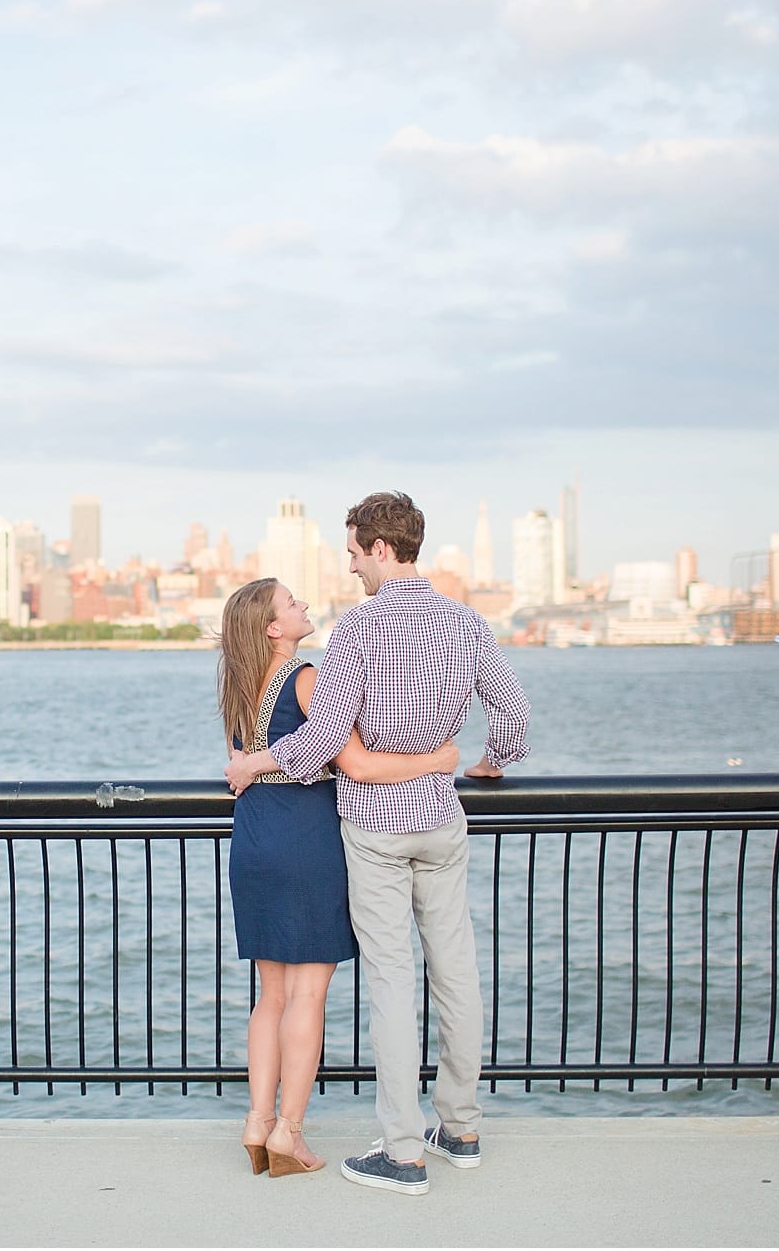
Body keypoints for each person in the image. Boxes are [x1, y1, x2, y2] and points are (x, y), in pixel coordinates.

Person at [227, 491, 530, 1197]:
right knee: (456, 970)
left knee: (393, 982)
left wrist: (258, 763)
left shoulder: (358, 632)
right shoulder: (467, 623)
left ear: (383, 549)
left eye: (356, 552)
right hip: (440, 818)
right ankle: (460, 1126)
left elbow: (327, 737)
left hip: (374, 826)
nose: (353, 566)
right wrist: (488, 760)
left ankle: (403, 1150)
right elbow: (511, 711)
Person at [219, 577, 461, 1179]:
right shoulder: (307, 678)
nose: (303, 606)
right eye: (291, 603)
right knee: (308, 994)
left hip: (253, 835)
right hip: (305, 839)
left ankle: (256, 1120)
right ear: (273, 628)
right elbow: (351, 761)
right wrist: (438, 758)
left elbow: (261, 756)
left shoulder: (239, 686)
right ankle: (290, 1134)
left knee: (270, 994)